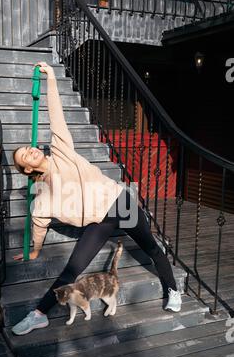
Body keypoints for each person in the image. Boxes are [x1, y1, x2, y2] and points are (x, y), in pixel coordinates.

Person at [11, 61, 182, 336]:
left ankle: (172, 290)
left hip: (120, 202)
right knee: (73, 268)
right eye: (25, 156)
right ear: (27, 169)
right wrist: (34, 249)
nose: (31, 150)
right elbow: (39, 225)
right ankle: (39, 314)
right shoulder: (41, 198)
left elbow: (56, 116)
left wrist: (51, 78)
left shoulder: (61, 152)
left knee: (151, 247)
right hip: (99, 221)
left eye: (29, 148)